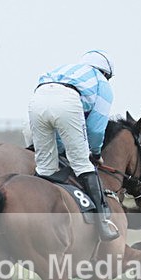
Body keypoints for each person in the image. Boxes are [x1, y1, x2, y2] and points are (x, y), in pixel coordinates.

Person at [28, 50, 119, 241]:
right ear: (106, 73)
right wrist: (94, 152)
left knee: (45, 167)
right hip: (67, 101)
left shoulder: (66, 68)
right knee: (82, 164)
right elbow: (95, 129)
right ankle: (103, 223)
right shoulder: (102, 84)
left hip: (38, 98)